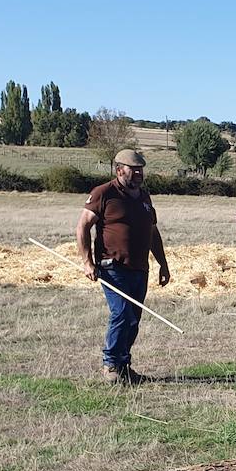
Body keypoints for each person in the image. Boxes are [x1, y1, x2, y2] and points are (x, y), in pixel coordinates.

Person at [75, 149, 170, 384]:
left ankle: (124, 365)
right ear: (119, 170)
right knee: (121, 313)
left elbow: (153, 232)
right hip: (112, 267)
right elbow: (83, 227)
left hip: (140, 267)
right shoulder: (104, 193)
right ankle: (110, 365)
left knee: (133, 318)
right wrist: (87, 262)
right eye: (133, 169)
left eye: (141, 169)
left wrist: (163, 264)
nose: (139, 173)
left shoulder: (144, 197)